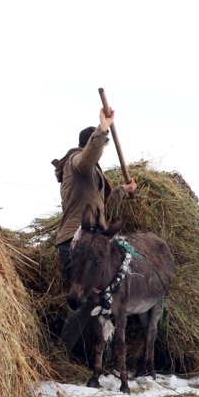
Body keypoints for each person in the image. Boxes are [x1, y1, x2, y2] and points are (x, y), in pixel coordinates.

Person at [50, 107, 137, 354]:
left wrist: (123, 190)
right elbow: (88, 157)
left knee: (103, 299)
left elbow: (102, 208)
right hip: (76, 244)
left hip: (92, 245)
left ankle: (101, 359)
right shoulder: (77, 163)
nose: (102, 152)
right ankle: (60, 356)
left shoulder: (91, 176)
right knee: (86, 302)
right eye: (101, 146)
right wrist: (103, 129)